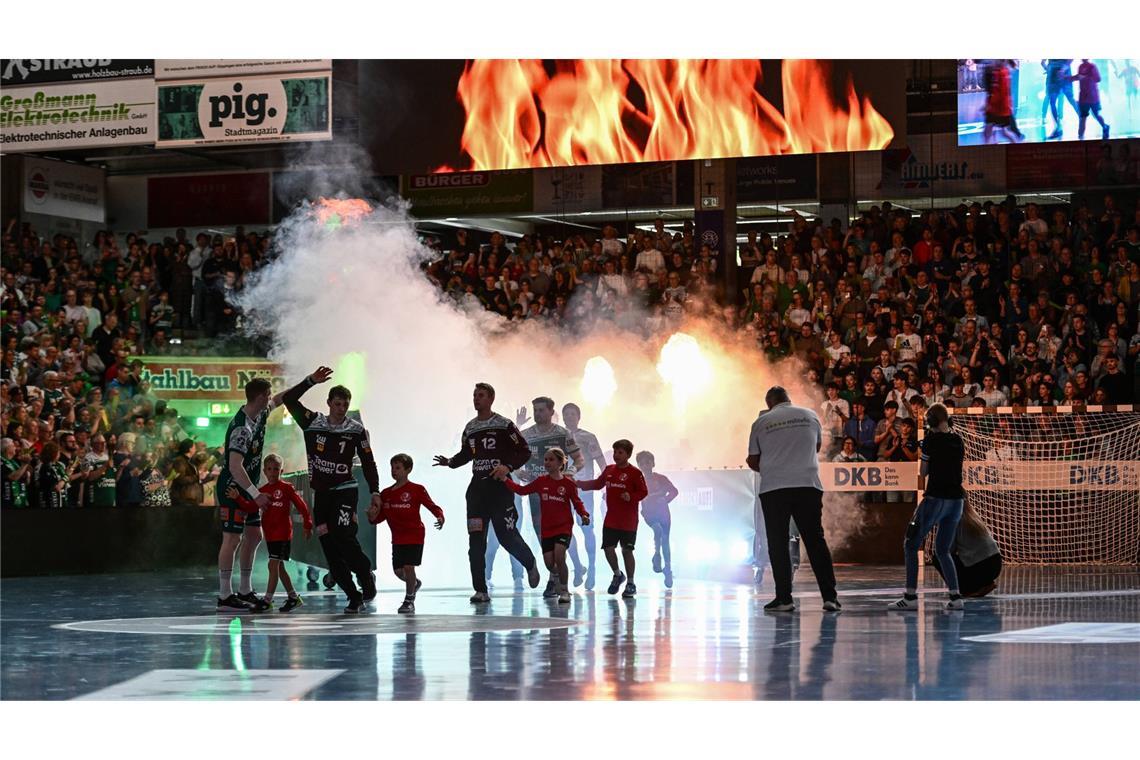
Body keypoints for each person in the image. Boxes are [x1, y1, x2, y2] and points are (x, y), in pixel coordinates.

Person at [281, 366, 380, 614]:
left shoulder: (355, 429)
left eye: (345, 404)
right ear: (329, 403)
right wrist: (310, 381)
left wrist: (376, 491)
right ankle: (352, 595)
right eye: (337, 404)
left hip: (345, 489)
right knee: (329, 545)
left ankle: (365, 573)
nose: (341, 409)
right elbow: (288, 399)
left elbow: (368, 462)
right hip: (321, 494)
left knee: (343, 535)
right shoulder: (313, 422)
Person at [433, 382, 540, 604]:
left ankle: (530, 563)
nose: (476, 399)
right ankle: (480, 590)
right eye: (474, 395)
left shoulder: (504, 424)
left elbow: (525, 451)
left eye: (480, 395)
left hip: (500, 489)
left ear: (491, 398)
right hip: (477, 492)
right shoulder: (470, 427)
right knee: (476, 543)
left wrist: (507, 467)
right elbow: (465, 454)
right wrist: (450, 462)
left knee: (506, 537)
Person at [746, 386, 840, 612]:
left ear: (769, 403)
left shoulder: (761, 422)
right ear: (788, 399)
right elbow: (816, 446)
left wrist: (772, 466)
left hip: (775, 488)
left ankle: (784, 598)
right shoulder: (810, 415)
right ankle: (830, 597)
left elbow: (752, 460)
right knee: (816, 541)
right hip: (807, 484)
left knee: (777, 543)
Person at [888, 403, 966, 611]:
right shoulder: (958, 440)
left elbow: (923, 472)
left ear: (930, 422)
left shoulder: (931, 441)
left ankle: (910, 596)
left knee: (911, 543)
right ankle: (955, 596)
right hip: (956, 501)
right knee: (942, 549)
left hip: (935, 499)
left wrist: (924, 450)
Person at [507, 397, 585, 596]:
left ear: (551, 412)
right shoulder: (526, 434)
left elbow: (579, 459)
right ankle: (555, 573)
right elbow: (509, 455)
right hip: (536, 491)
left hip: (558, 492)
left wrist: (571, 472)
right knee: (541, 533)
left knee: (559, 532)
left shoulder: (562, 433)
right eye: (536, 410)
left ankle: (555, 579)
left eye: (541, 410)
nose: (538, 413)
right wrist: (517, 472)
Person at [214, 377, 281, 611]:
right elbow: (234, 466)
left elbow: (281, 399)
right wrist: (256, 494)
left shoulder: (260, 414)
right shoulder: (243, 427)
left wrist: (310, 381)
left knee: (254, 536)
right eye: (269, 393)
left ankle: (245, 589)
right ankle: (224, 595)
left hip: (248, 488)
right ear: (261, 396)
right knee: (232, 538)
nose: (271, 397)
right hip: (233, 488)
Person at [497, 447, 588, 604]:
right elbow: (521, 490)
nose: (547, 462)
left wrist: (584, 514)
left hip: (563, 527)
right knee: (549, 564)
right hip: (547, 529)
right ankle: (558, 576)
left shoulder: (568, 483)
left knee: (560, 556)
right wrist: (506, 479)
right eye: (545, 459)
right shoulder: (541, 482)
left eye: (551, 459)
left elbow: (577, 502)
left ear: (561, 463)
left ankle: (564, 591)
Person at [227, 454, 313, 613]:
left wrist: (308, 523)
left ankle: (267, 601)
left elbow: (301, 505)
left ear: (282, 471)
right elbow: (250, 507)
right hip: (270, 535)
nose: (273, 472)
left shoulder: (286, 488)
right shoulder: (262, 491)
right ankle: (293, 597)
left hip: (283, 534)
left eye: (276, 469)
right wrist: (238, 497)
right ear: (264, 471)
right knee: (278, 568)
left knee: (272, 565)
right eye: (269, 469)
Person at [370, 453, 445, 614]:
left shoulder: (417, 489)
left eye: (398, 468)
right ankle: (414, 584)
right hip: (397, 538)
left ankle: (409, 600)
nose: (394, 471)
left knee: (409, 567)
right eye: (392, 467)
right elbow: (380, 517)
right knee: (398, 572)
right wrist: (371, 516)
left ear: (408, 469)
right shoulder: (386, 493)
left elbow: (432, 506)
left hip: (415, 534)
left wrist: (439, 516)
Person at [575, 439, 648, 598]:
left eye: (620, 452)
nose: (616, 455)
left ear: (628, 455)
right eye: (615, 452)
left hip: (628, 520)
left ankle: (630, 582)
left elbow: (643, 492)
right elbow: (597, 484)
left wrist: (631, 496)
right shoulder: (609, 470)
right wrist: (578, 483)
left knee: (627, 551)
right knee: (608, 549)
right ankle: (617, 574)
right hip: (611, 519)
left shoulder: (635, 473)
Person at [561, 402, 607, 590]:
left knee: (587, 529)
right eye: (567, 414)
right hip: (563, 490)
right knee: (565, 530)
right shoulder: (558, 436)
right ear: (563, 417)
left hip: (584, 489)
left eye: (573, 414)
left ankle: (593, 567)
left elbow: (602, 463)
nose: (570, 417)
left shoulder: (588, 437)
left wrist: (607, 484)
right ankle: (578, 566)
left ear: (579, 417)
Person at [930, 500, 1003, 598]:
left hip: (982, 567)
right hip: (996, 564)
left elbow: (947, 551)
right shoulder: (972, 515)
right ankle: (984, 584)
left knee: (939, 557)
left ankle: (966, 589)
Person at [635, 451, 679, 588]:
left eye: (647, 462)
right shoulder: (637, 480)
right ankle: (657, 554)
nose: (645, 465)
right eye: (642, 463)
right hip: (649, 512)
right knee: (658, 530)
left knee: (665, 539)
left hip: (663, 512)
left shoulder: (661, 478)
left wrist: (665, 499)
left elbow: (674, 491)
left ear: (653, 463)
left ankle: (668, 568)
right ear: (638, 465)